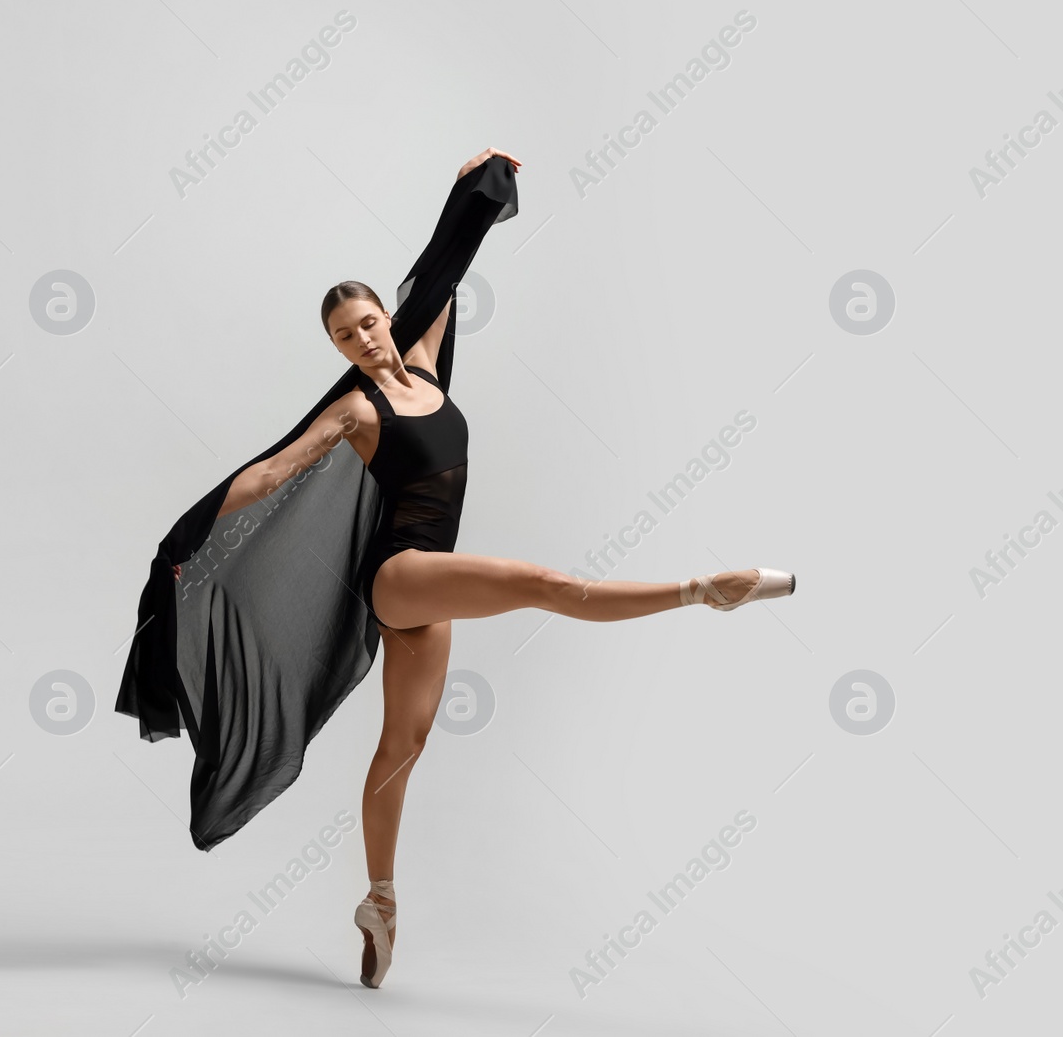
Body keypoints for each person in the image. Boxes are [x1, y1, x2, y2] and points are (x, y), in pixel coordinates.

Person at [117, 148, 795, 989]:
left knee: (402, 745)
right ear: (335, 347)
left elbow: (440, 271)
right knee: (549, 585)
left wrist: (470, 188)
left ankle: (378, 901)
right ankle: (703, 589)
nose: (362, 339)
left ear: (381, 318)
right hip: (396, 573)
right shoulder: (355, 409)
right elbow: (268, 473)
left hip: (425, 590)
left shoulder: (429, 362)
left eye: (365, 323)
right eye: (343, 336)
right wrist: (185, 543)